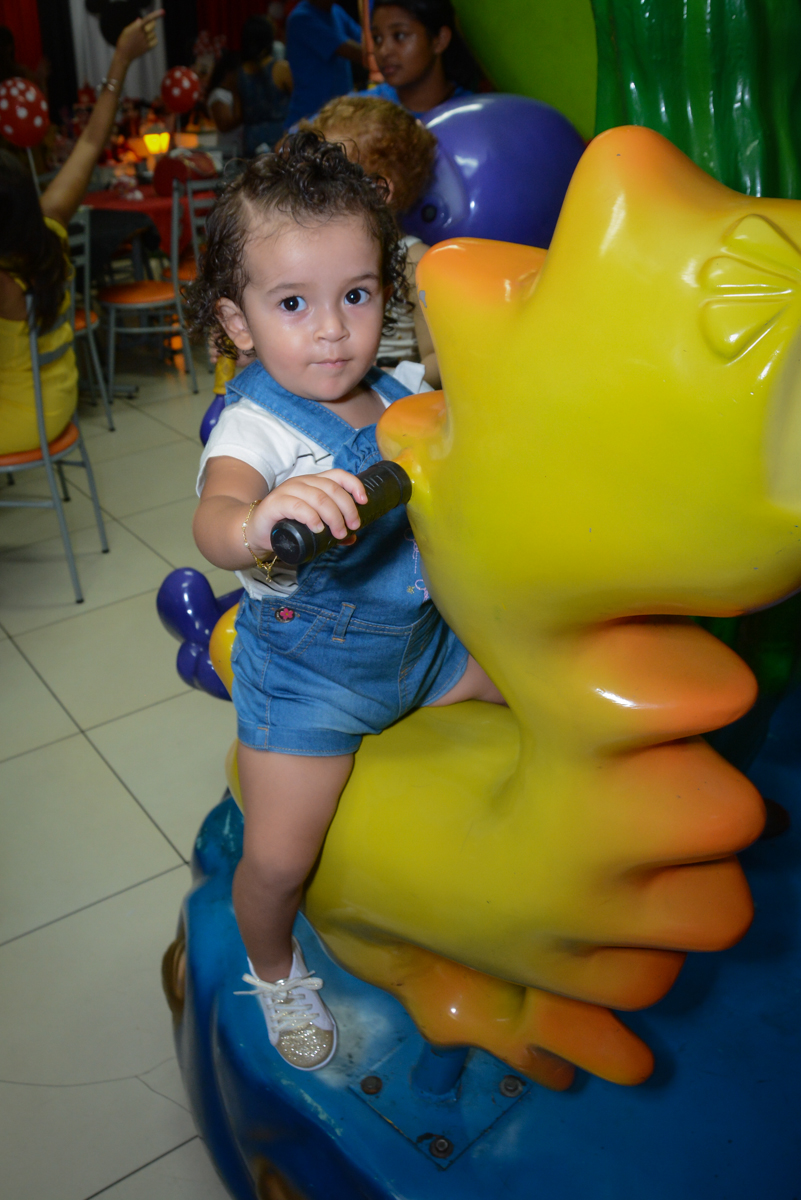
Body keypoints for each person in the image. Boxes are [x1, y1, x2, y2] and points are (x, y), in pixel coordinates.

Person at [187, 132, 503, 1071]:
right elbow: (214, 516)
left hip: (425, 648)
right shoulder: (254, 429)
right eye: (293, 304)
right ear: (238, 323)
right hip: (313, 682)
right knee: (280, 862)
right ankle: (274, 966)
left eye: (355, 296)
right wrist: (258, 520)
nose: (332, 330)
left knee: (537, 686)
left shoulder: (392, 389)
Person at [0, 11, 163, 455]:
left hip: (18, 418)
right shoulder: (47, 228)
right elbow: (91, 142)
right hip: (58, 402)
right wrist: (121, 59)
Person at [309, 93, 440, 385]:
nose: (315, 190)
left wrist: (387, 385)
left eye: (331, 179)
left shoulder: (414, 261)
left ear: (380, 191)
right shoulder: (318, 253)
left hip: (389, 397)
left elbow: (438, 360)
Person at [368, 0, 481, 116]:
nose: (384, 51)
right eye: (377, 38)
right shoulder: (360, 111)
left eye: (400, 36)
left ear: (440, 40)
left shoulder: (473, 114)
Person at [284, 0, 362, 128]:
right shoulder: (301, 18)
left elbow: (364, 39)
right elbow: (350, 50)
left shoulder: (336, 10)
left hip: (338, 112)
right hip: (309, 117)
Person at [238, 15, 293, 155]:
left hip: (251, 139)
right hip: (279, 137)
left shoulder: (239, 73)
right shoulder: (281, 68)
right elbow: (299, 101)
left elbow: (239, 114)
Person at [206, 49, 244, 159]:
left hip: (241, 151)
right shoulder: (219, 95)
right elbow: (225, 126)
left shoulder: (233, 93)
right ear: (229, 73)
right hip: (229, 153)